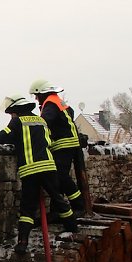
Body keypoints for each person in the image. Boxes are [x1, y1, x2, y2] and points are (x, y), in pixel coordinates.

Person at [0, 95, 78, 255]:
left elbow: (3, 137)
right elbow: (48, 141)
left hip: (30, 170)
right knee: (58, 198)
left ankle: (22, 242)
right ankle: (72, 227)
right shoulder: (41, 121)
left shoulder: (17, 121)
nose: (11, 116)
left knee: (27, 207)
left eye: (11, 113)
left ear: (16, 110)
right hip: (48, 167)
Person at [28, 79, 87, 216]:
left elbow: (44, 122)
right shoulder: (57, 101)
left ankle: (79, 205)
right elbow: (70, 113)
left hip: (63, 145)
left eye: (36, 95)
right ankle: (59, 210)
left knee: (61, 177)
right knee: (59, 178)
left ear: (42, 93)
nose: (36, 99)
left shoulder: (50, 104)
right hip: (70, 143)